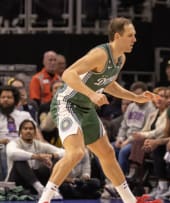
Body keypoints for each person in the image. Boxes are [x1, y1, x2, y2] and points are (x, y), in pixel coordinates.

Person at [38, 17, 161, 203]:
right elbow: (68, 74)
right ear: (117, 36)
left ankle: (130, 200)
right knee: (76, 152)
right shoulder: (100, 54)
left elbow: (108, 83)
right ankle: (44, 199)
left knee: (107, 153)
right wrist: (92, 94)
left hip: (85, 107)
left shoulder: (120, 58)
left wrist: (135, 97)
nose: (134, 39)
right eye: (130, 35)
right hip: (67, 103)